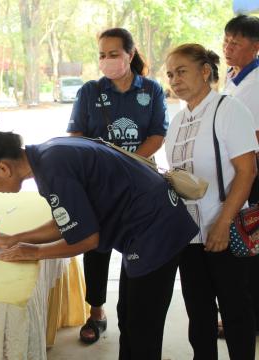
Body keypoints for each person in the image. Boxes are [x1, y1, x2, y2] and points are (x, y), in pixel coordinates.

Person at [0, 112, 199, 359]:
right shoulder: (47, 154)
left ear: (2, 168)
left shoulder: (52, 167)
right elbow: (68, 220)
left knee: (142, 328)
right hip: (148, 226)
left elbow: (87, 239)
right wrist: (14, 239)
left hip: (155, 230)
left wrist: (36, 252)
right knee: (129, 316)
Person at [67, 27, 168, 343]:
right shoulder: (89, 92)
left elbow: (157, 134)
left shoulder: (151, 90)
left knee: (136, 250)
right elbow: (76, 136)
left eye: (114, 54)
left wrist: (129, 164)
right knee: (96, 248)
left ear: (130, 53)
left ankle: (133, 312)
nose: (107, 60)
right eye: (102, 55)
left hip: (140, 185)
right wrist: (102, 167)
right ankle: (96, 312)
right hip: (99, 185)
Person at [165, 43, 257, 360]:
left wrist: (223, 221)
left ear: (205, 72)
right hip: (189, 235)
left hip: (226, 232)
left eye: (182, 71)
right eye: (170, 74)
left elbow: (247, 172)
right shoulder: (177, 122)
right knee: (199, 313)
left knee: (236, 312)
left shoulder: (227, 110)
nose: (175, 80)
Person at [222, 16, 259, 338]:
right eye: (227, 39)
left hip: (252, 175)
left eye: (236, 42)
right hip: (238, 171)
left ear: (256, 47)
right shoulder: (233, 78)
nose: (228, 47)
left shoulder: (256, 83)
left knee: (252, 247)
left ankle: (251, 319)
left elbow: (254, 139)